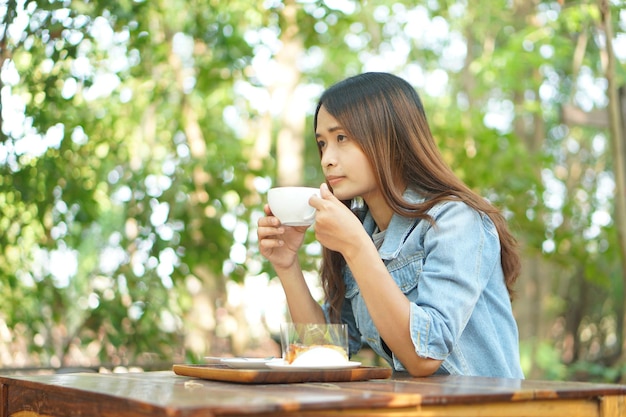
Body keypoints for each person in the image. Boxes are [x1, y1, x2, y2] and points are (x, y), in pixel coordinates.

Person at [257, 72, 524, 378]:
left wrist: (356, 247)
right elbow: (324, 352)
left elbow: (425, 356)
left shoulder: (455, 220)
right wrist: (287, 264)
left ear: (388, 138)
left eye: (341, 138)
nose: (327, 159)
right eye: (322, 143)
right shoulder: (363, 233)